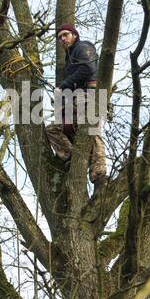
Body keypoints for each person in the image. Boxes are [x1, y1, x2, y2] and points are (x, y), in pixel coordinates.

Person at [46, 23, 106, 184]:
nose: (62, 39)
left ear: (74, 35)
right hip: (76, 99)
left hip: (89, 96)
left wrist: (64, 85)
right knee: (53, 129)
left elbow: (87, 68)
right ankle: (74, 157)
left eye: (65, 35)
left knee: (91, 130)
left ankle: (99, 172)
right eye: (60, 37)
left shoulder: (82, 47)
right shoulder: (70, 56)